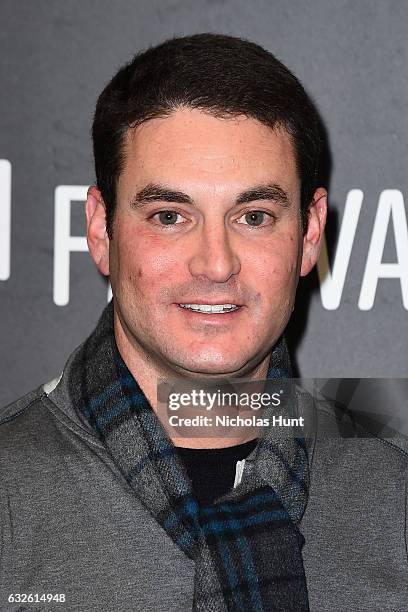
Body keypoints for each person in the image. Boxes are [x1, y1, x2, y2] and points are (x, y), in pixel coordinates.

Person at [0, 33, 407, 612]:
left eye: (254, 215)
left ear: (310, 234)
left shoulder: (395, 504)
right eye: (169, 216)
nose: (215, 263)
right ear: (100, 229)